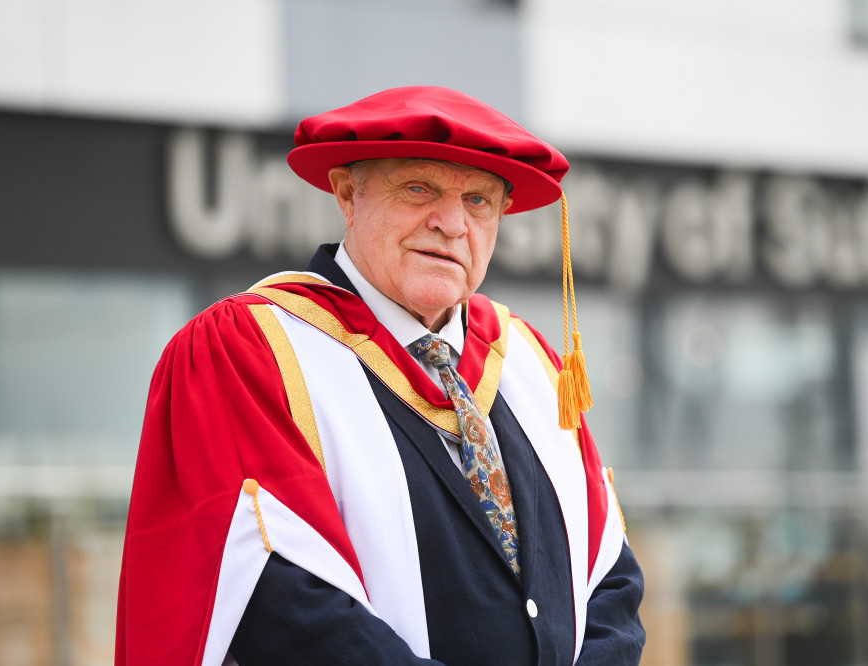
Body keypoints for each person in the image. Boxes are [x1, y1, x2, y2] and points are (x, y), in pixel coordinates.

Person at [116, 85, 645, 665]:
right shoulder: (252, 351)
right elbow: (279, 596)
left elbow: (609, 578)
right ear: (347, 194)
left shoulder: (529, 363)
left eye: (478, 201)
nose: (451, 223)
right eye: (419, 188)